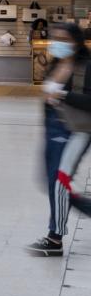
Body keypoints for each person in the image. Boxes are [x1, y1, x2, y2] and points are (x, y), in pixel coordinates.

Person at [35, 23, 91, 256]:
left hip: (77, 130)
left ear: (75, 42)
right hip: (54, 127)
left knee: (59, 182)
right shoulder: (56, 64)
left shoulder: (86, 67)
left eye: (63, 38)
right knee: (49, 182)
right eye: (55, 37)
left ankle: (54, 238)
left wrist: (63, 94)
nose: (56, 42)